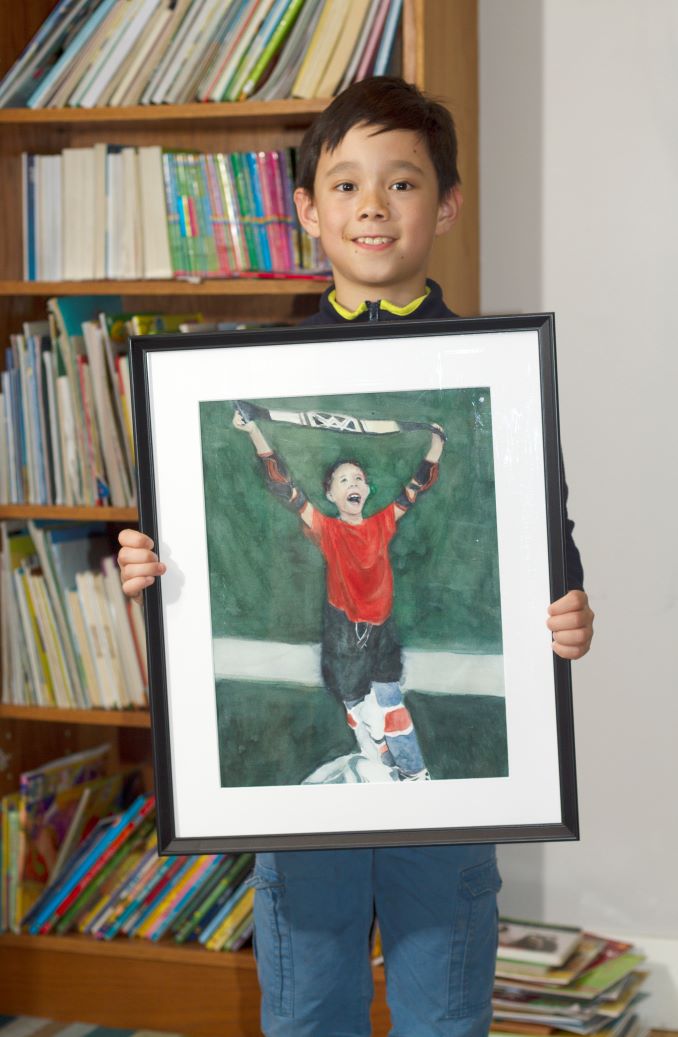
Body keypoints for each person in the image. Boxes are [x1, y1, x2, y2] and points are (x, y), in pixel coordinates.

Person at [118, 76, 594, 1037]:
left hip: (441, 806)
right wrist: (151, 567)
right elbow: (209, 531)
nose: (373, 206)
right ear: (307, 210)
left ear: (447, 205)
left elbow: (546, 543)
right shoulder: (248, 373)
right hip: (316, 778)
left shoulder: (494, 375)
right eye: (345, 185)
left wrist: (569, 611)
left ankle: (393, 754)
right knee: (307, 1005)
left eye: (403, 184)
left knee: (444, 1004)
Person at [232, 407, 447, 782]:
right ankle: (380, 755)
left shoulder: (383, 523)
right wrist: (254, 431)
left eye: (359, 478)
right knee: (360, 710)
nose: (354, 483)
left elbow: (415, 488)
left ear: (366, 490)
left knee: (392, 707)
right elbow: (284, 486)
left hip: (382, 629)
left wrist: (436, 444)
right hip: (343, 632)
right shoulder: (326, 529)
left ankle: (416, 775)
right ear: (331, 493)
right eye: (344, 479)